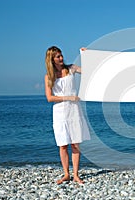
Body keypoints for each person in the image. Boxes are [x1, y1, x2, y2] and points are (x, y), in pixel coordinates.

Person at [45, 46, 90, 184]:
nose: (61, 58)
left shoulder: (72, 68)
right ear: (52, 59)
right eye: (58, 56)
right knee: (63, 144)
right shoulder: (49, 76)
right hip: (60, 112)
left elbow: (89, 72)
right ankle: (66, 174)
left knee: (75, 144)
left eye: (61, 55)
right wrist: (69, 97)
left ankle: (76, 174)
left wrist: (85, 56)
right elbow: (50, 98)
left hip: (74, 111)